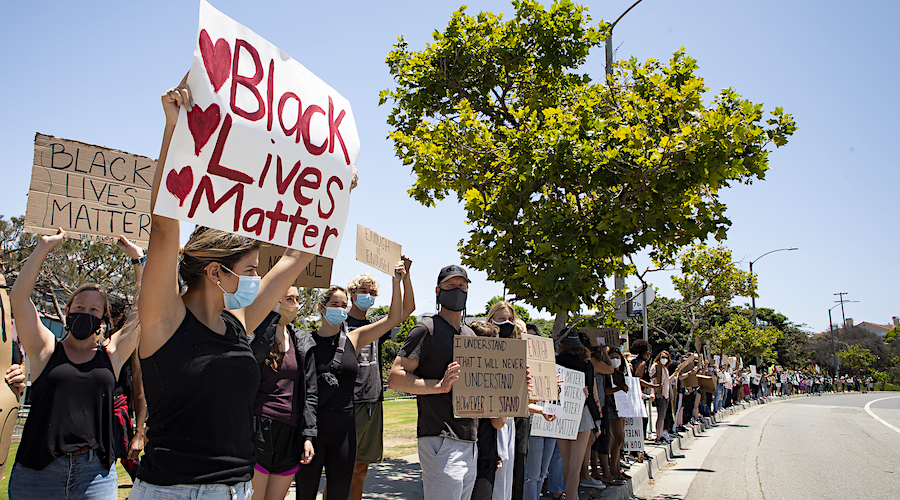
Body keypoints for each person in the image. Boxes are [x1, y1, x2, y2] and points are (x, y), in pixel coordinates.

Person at [131, 83, 317, 500]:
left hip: (235, 490)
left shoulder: (237, 324)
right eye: (249, 270)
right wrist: (174, 131)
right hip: (171, 492)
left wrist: (332, 194)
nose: (256, 279)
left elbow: (294, 261)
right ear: (215, 272)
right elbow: (163, 227)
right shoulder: (164, 319)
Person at [8, 231, 142, 499]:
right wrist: (43, 248)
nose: (85, 314)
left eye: (94, 311)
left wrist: (138, 261)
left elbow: (144, 311)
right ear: (67, 310)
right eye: (79, 307)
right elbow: (20, 298)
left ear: (103, 318)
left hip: (95, 476)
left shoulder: (112, 354)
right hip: (38, 472)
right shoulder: (45, 349)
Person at [296, 262, 410, 500]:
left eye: (343, 305)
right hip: (315, 427)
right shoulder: (304, 341)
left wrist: (396, 281)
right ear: (321, 307)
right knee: (306, 492)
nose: (339, 309)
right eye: (334, 305)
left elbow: (394, 318)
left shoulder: (354, 338)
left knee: (341, 490)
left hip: (345, 428)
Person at [388, 265, 478, 500]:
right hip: (440, 436)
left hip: (470, 437)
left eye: (462, 286)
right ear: (438, 291)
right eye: (451, 286)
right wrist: (438, 386)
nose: (457, 290)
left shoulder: (471, 335)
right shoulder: (426, 329)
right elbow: (396, 377)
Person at [348, 269, 415, 500]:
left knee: (361, 470)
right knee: (343, 471)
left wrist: (403, 280)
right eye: (363, 291)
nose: (368, 295)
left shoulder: (377, 324)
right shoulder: (340, 323)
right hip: (349, 404)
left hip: (373, 403)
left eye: (372, 292)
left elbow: (406, 310)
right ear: (352, 294)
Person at [248, 287, 318, 500]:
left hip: (290, 432)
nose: (295, 304)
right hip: (259, 427)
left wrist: (308, 435)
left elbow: (310, 393)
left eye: (297, 299)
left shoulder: (302, 341)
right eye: (289, 299)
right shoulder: (254, 336)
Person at [554, 328, 602, 499]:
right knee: (576, 464)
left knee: (567, 464)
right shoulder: (586, 364)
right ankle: (573, 496)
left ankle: (570, 495)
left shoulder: (555, 361)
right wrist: (597, 420)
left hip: (559, 412)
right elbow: (590, 396)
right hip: (582, 413)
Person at [649, 351, 676, 443]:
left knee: (663, 416)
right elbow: (652, 380)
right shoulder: (655, 367)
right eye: (662, 357)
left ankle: (660, 434)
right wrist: (653, 393)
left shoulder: (665, 369)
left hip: (665, 394)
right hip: (659, 394)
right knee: (660, 416)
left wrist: (675, 373)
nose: (664, 359)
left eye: (666, 357)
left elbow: (667, 381)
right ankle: (658, 436)